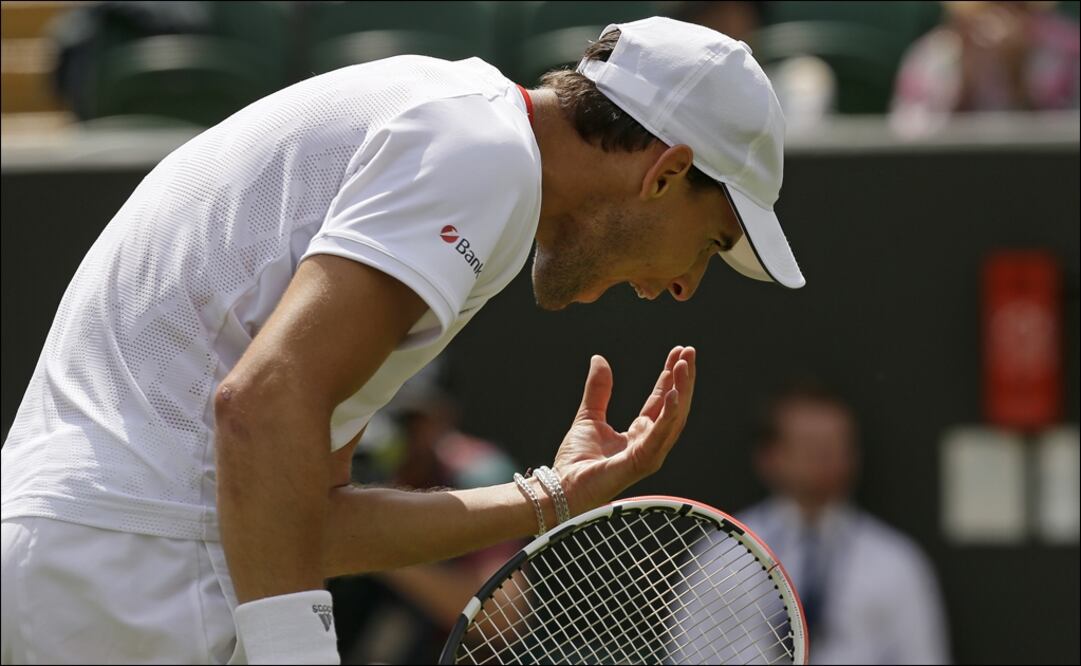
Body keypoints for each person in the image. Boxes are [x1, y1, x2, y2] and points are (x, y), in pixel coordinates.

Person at [1, 17, 804, 664]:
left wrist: (549, 499)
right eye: (707, 243)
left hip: (95, 561)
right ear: (664, 174)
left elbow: (307, 519)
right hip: (130, 577)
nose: (683, 288)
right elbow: (260, 403)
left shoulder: (462, 132)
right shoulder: (481, 156)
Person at [738, 381, 950, 664]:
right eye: (810, 445)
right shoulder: (722, 555)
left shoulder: (898, 562)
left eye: (836, 445)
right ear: (769, 456)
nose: (825, 458)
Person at [331, 366, 525, 664]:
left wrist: (376, 547)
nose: (400, 431)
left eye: (412, 418)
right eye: (384, 412)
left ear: (443, 418)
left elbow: (503, 616)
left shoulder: (475, 475)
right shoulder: (350, 466)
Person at [892, 1, 1080, 135]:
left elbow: (1066, 140)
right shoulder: (933, 56)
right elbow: (910, 147)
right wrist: (965, 82)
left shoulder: (1068, 50)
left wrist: (1018, 73)